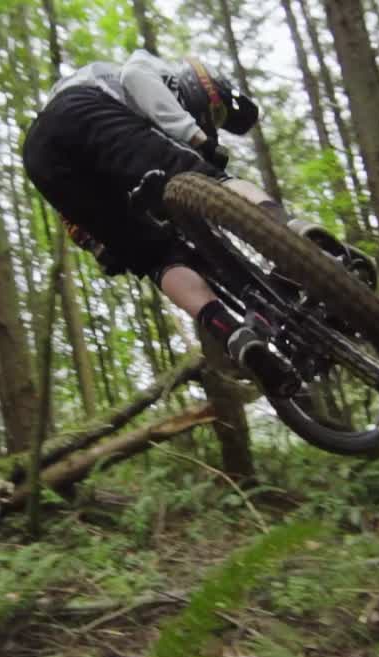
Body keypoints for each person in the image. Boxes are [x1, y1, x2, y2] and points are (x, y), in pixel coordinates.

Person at [22, 50, 343, 398]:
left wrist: (95, 241)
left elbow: (78, 207)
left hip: (40, 158)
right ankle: (294, 230)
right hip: (79, 112)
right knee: (209, 178)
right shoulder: (143, 69)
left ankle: (234, 335)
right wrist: (195, 138)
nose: (212, 122)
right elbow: (135, 77)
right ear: (201, 84)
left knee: (157, 258)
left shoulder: (87, 105)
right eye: (216, 113)